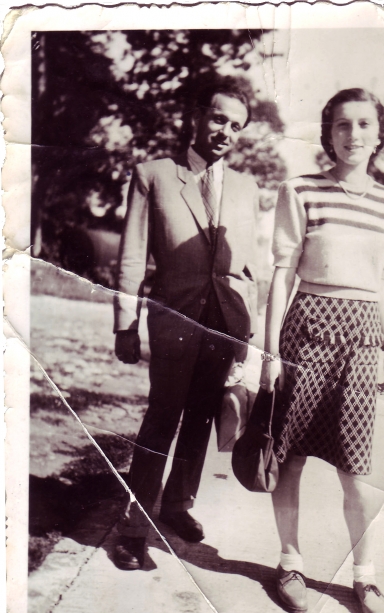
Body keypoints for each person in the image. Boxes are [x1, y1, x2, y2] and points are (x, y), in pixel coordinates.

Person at [260, 88, 384, 613]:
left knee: (355, 470)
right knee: (290, 457)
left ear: (378, 132)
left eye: (363, 124)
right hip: (306, 329)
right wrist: (271, 351)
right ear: (329, 133)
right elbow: (283, 272)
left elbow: (383, 281)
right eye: (342, 125)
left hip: (362, 338)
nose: (353, 134)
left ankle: (365, 575)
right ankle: (290, 564)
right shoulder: (300, 190)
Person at [113, 79, 259, 570]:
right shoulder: (153, 174)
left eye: (236, 126)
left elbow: (248, 267)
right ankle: (134, 528)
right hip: (173, 317)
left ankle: (177, 505)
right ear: (197, 114)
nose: (225, 132)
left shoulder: (246, 187)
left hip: (225, 323)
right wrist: (125, 323)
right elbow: (132, 254)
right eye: (219, 119)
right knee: (162, 417)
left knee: (200, 418)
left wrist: (248, 333)